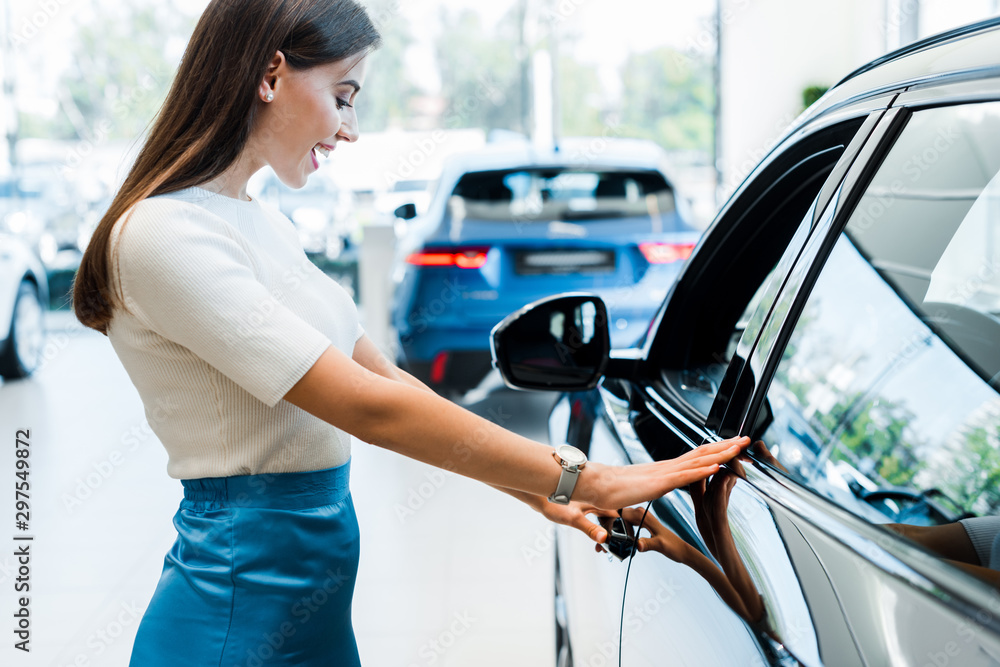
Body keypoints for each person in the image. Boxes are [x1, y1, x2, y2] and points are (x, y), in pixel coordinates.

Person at [71, 1, 750, 664]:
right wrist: (588, 479)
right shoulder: (163, 234)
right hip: (230, 623)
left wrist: (545, 491)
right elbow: (370, 410)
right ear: (270, 74)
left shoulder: (259, 220)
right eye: (343, 95)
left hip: (313, 618)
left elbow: (388, 382)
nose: (350, 127)